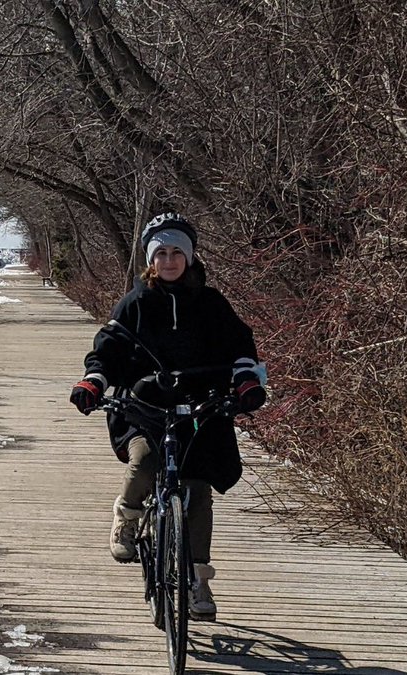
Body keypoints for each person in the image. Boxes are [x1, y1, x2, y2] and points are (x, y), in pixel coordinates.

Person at [68, 212, 266, 621]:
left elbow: (240, 346)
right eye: (162, 253)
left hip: (200, 409)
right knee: (144, 461)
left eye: (178, 252)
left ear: (190, 258)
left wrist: (246, 381)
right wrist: (93, 381)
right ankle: (126, 516)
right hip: (145, 407)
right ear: (151, 259)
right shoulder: (137, 302)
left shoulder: (212, 304)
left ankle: (198, 581)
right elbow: (107, 348)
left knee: (197, 490)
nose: (170, 260)